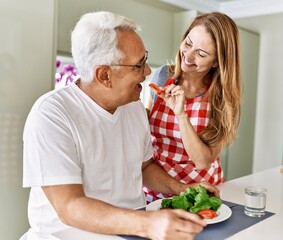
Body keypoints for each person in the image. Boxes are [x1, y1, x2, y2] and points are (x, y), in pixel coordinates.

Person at [22, 11, 219, 240]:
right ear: (105, 75)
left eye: (145, 59)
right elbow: (70, 207)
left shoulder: (133, 106)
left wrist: (181, 189)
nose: (147, 72)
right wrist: (147, 224)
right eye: (138, 66)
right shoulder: (52, 114)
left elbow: (144, 167)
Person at [144, 12, 241, 202]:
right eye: (188, 44)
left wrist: (181, 114)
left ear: (216, 62)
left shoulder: (221, 97)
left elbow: (203, 161)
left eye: (201, 54)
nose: (188, 56)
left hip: (201, 192)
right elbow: (146, 130)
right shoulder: (162, 76)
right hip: (158, 186)